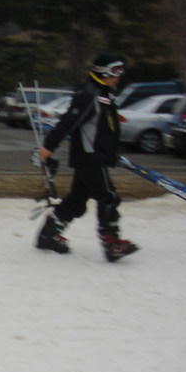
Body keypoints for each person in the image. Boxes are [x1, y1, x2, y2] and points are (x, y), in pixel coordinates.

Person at [36, 53, 139, 262]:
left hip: (95, 157)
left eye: (120, 71)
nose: (118, 76)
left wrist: (111, 154)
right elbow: (68, 122)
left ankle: (49, 235)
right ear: (103, 71)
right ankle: (111, 243)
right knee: (108, 197)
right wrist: (48, 147)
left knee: (77, 199)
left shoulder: (104, 94)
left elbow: (104, 130)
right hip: (90, 157)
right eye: (115, 71)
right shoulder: (89, 94)